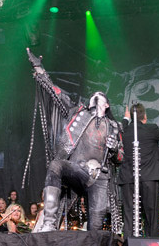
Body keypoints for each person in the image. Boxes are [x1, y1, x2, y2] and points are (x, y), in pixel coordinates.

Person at [27, 48, 124, 232]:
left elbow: (120, 158)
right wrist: (39, 69)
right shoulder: (77, 113)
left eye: (100, 96)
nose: (96, 96)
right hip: (77, 169)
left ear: (107, 105)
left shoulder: (113, 126)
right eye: (93, 96)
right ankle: (49, 223)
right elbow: (56, 93)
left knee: (95, 228)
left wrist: (114, 149)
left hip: (100, 177)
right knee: (56, 165)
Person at [118, 102, 159, 237]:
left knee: (129, 215)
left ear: (131, 116)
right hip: (149, 177)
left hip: (128, 178)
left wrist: (125, 119)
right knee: (151, 214)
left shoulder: (123, 130)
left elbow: (120, 130)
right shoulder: (151, 129)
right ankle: (151, 244)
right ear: (144, 117)